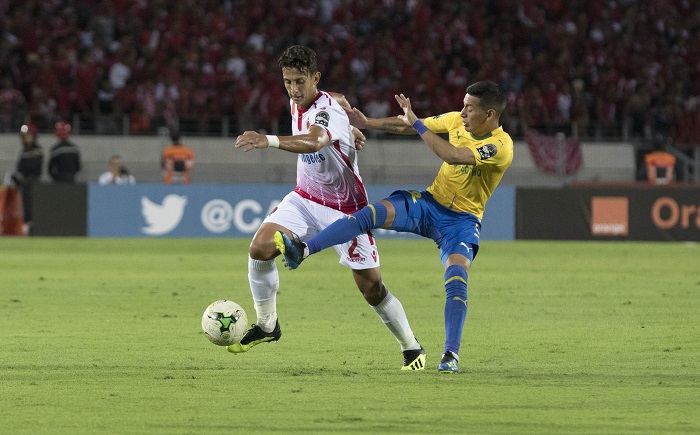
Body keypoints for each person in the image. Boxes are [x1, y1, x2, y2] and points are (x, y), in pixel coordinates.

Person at [277, 81, 514, 374]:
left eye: (470, 108)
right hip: (429, 204)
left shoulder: (501, 147)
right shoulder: (455, 120)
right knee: (369, 214)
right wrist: (368, 123)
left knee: (456, 279)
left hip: (462, 222)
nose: (462, 112)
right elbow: (407, 125)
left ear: (490, 114)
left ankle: (450, 355)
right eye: (463, 105)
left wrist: (418, 125)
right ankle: (303, 249)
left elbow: (453, 155)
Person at [233, 45, 425, 370]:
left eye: (300, 82)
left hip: (346, 209)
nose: (293, 90)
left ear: (314, 78)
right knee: (260, 249)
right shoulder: (314, 100)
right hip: (306, 197)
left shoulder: (323, 111)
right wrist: (351, 126)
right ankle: (268, 325)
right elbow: (340, 99)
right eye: (288, 81)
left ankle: (411, 347)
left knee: (371, 288)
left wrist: (269, 139)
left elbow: (315, 140)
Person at [12, 123, 44, 233]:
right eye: (25, 136)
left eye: (29, 135)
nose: (27, 138)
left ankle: (32, 225)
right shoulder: (24, 152)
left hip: (33, 183)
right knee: (24, 206)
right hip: (24, 184)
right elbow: (19, 168)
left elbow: (33, 167)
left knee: (31, 205)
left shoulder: (37, 150)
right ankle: (25, 225)